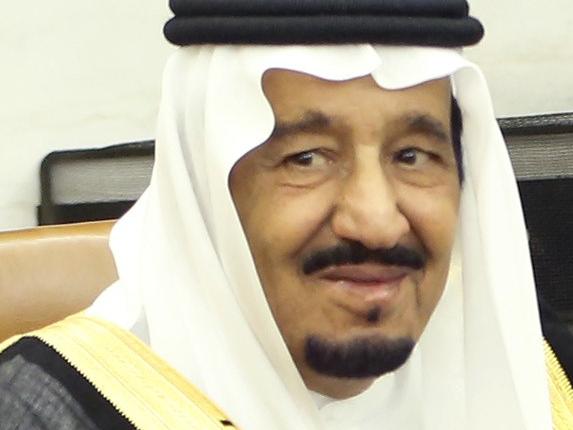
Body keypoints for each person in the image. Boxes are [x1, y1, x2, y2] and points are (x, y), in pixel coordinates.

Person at [1, 1, 571, 428]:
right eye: (307, 158)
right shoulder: (41, 411)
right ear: (207, 193)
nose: (376, 221)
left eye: (413, 156)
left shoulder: (539, 382)